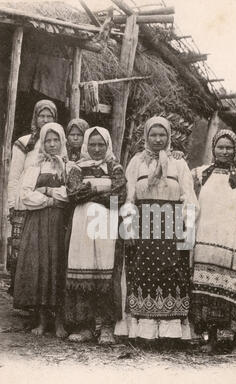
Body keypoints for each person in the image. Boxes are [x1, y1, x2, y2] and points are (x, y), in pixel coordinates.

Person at [119, 116, 199, 342]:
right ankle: (145, 331)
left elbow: (189, 198)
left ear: (169, 136)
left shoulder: (179, 163)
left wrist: (187, 228)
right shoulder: (137, 162)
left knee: (172, 275)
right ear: (146, 136)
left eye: (162, 135)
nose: (157, 139)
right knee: (144, 274)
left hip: (173, 227)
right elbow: (129, 197)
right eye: (153, 135)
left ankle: (170, 331)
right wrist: (129, 227)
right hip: (144, 226)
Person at [190, 129, 236, 353]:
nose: (224, 151)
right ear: (213, 149)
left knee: (235, 291)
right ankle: (210, 337)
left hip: (234, 245)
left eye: (229, 147)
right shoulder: (200, 175)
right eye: (220, 147)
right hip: (206, 245)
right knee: (208, 292)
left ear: (235, 150)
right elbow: (188, 202)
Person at [65, 127, 126, 344]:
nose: (97, 149)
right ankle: (84, 326)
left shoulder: (115, 167)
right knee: (83, 272)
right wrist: (102, 191)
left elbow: (119, 197)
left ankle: (107, 326)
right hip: (82, 224)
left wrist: (91, 191)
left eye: (101, 144)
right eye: (92, 144)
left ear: (108, 145)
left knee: (106, 273)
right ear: (85, 146)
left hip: (107, 225)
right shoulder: (77, 168)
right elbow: (74, 194)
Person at [13, 123, 69, 338]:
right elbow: (26, 195)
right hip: (38, 222)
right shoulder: (35, 166)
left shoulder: (68, 165)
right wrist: (48, 201)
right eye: (48, 140)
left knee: (58, 266)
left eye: (56, 140)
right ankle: (43, 321)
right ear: (43, 143)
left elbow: (70, 193)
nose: (52, 144)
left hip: (59, 223)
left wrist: (48, 190)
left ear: (62, 141)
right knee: (41, 267)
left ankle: (60, 323)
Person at [7, 99, 57, 294]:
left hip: (46, 204)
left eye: (49, 116)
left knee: (41, 252)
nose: (45, 120)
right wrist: (12, 204)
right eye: (41, 116)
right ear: (35, 118)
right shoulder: (24, 143)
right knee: (22, 251)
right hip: (24, 202)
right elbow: (14, 176)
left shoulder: (57, 143)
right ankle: (23, 297)